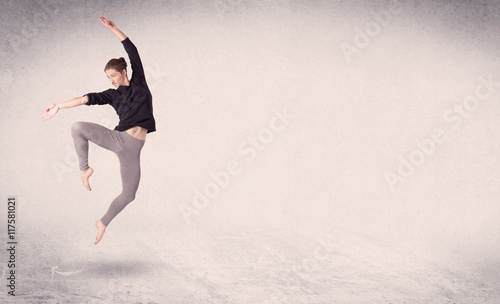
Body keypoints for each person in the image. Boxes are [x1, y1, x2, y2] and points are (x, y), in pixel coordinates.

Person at [42, 16, 156, 245]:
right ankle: (84, 169)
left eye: (113, 75)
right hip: (118, 138)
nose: (111, 80)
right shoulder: (112, 95)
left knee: (129, 194)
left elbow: (132, 50)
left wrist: (114, 29)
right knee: (78, 127)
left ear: (124, 72)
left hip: (133, 149)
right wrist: (59, 106)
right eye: (107, 77)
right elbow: (86, 99)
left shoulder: (140, 82)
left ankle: (102, 222)